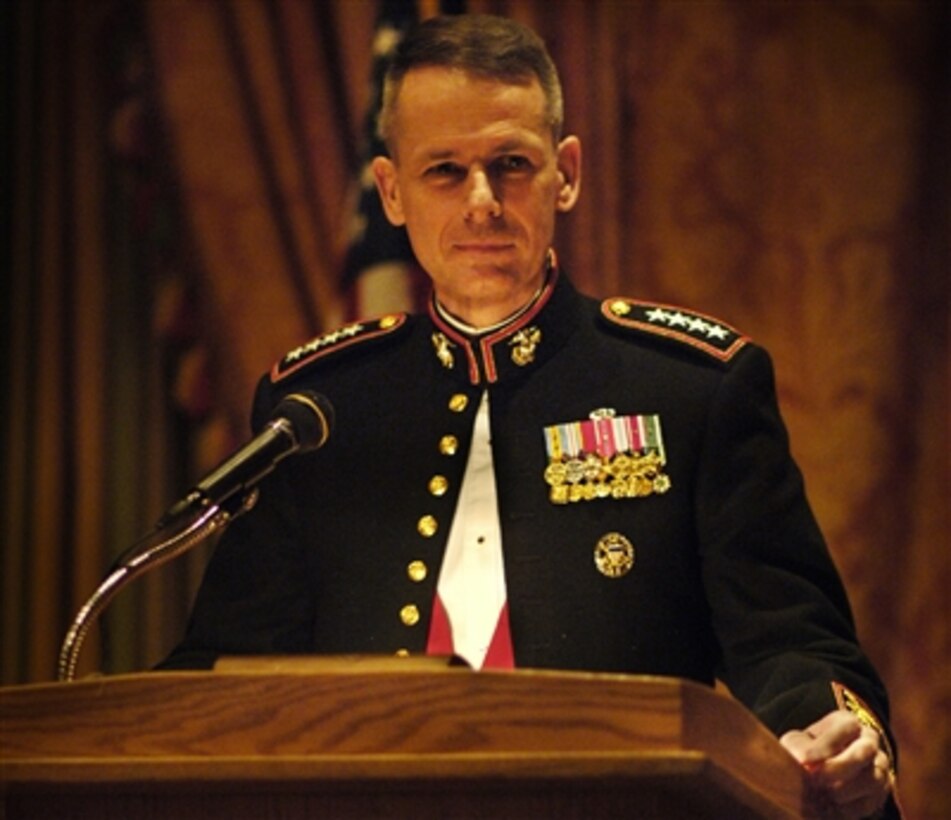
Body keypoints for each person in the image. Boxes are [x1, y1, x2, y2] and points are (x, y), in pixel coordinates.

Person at [162, 14, 899, 818]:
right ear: (392, 192)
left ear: (566, 173)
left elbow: (790, 644)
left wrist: (834, 732)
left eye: (509, 164)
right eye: (444, 170)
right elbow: (222, 670)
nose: (481, 203)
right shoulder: (321, 410)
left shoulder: (689, 389)